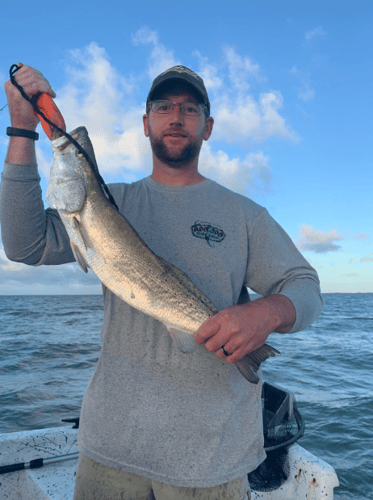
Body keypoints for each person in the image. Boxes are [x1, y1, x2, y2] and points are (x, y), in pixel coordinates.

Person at [1, 64, 323, 500]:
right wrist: (22, 131)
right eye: (164, 106)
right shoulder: (108, 205)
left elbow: (305, 286)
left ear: (207, 127)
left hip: (213, 461)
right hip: (108, 451)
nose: (176, 116)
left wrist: (267, 311)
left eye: (190, 108)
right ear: (145, 122)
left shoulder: (245, 216)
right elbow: (24, 244)